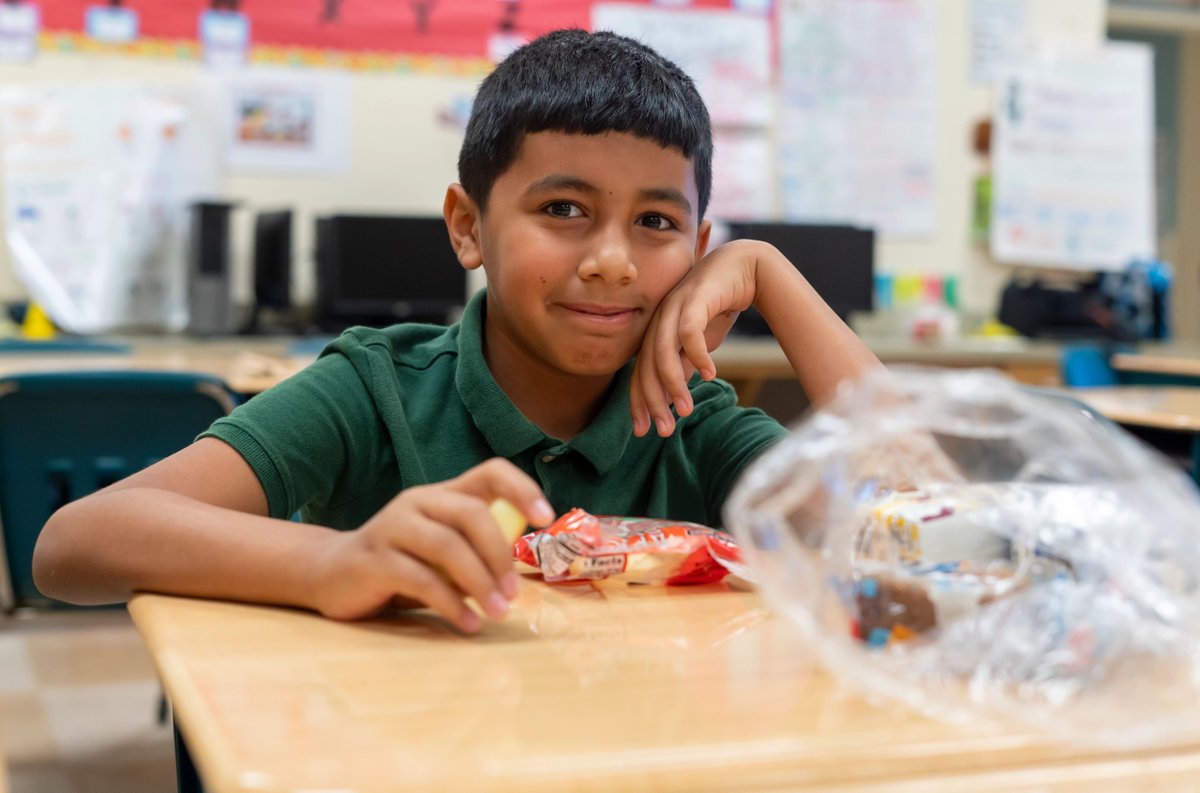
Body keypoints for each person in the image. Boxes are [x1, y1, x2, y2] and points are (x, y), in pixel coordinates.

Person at [33, 29, 881, 633]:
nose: (614, 261)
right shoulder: (380, 390)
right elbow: (74, 544)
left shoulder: (693, 419)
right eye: (564, 209)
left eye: (657, 222)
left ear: (699, 250)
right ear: (468, 226)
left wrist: (772, 272)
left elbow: (913, 522)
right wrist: (333, 562)